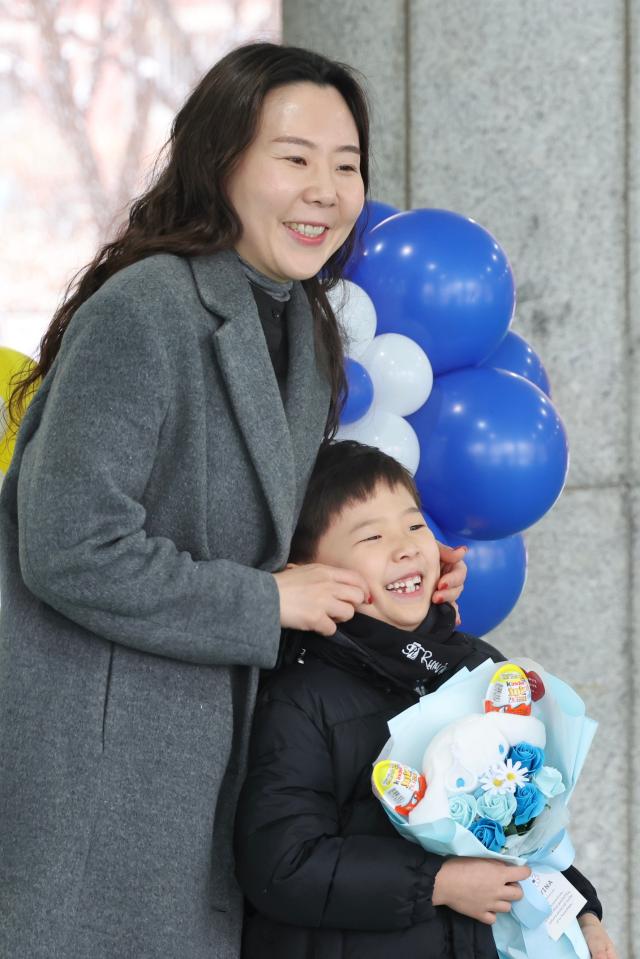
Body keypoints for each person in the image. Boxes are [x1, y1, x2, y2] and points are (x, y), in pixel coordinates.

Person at [0, 43, 468, 959]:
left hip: (219, 764)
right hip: (104, 778)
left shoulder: (300, 321)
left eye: (346, 165)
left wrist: (383, 567)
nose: (326, 191)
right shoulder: (144, 312)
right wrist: (266, 602)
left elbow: (270, 525)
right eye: (294, 159)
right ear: (221, 164)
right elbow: (66, 543)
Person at [234, 440, 618, 959]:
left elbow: (527, 830)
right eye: (371, 535)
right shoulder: (302, 696)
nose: (407, 547)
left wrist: (581, 914)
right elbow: (281, 865)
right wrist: (438, 882)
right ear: (308, 571)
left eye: (415, 526)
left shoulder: (477, 665)